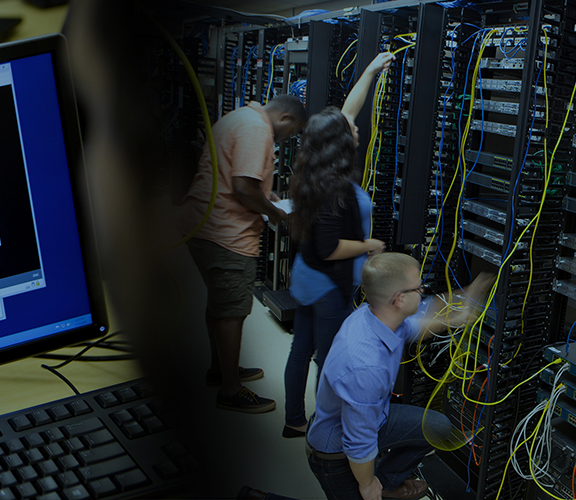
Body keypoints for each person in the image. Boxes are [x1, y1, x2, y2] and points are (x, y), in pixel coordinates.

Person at [306, 253, 492, 500]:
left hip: (373, 418)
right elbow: (358, 442)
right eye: (419, 287)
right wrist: (368, 484)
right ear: (400, 299)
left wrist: (465, 300)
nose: (423, 291)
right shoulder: (365, 365)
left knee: (436, 427)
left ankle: (389, 483)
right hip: (337, 453)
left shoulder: (378, 314)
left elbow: (422, 322)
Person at [283, 51, 396, 439]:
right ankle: (324, 433)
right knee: (328, 359)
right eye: (350, 129)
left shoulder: (315, 166)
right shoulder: (336, 188)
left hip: (305, 276)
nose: (356, 128)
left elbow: (349, 110)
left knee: (300, 349)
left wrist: (370, 70)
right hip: (328, 284)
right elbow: (332, 247)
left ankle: (294, 420)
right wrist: (369, 245)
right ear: (337, 142)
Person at [181, 89, 308, 413]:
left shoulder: (241, 117)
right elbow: (242, 187)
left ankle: (220, 369)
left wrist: (269, 198)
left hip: (205, 225)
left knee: (220, 304)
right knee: (233, 311)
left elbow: (235, 178)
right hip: (227, 233)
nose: (285, 139)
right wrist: (275, 212)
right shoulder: (257, 129)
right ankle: (230, 389)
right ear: (285, 118)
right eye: (291, 132)